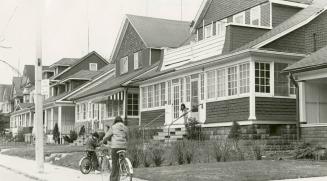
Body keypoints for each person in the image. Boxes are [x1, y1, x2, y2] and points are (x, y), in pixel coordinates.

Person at [103, 116, 128, 181]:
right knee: (121, 161)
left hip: (115, 147)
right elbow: (127, 137)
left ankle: (113, 179)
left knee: (114, 163)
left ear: (115, 121)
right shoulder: (125, 127)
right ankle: (123, 171)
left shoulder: (113, 127)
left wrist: (104, 141)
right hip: (124, 147)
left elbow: (107, 136)